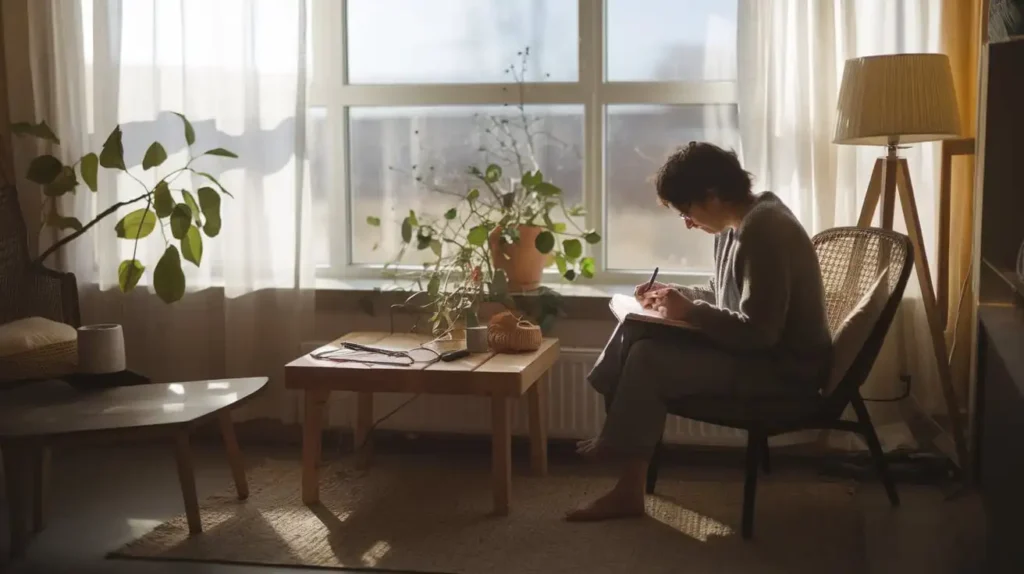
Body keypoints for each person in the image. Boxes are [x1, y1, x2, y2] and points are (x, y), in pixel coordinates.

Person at [566, 142, 833, 522]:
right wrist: (671, 297)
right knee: (641, 333)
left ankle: (620, 462)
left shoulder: (765, 231)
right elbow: (725, 296)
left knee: (648, 360)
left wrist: (690, 311)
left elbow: (760, 333)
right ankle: (620, 458)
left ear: (711, 195)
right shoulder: (735, 225)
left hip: (782, 371)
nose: (688, 222)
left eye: (686, 211)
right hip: (754, 356)